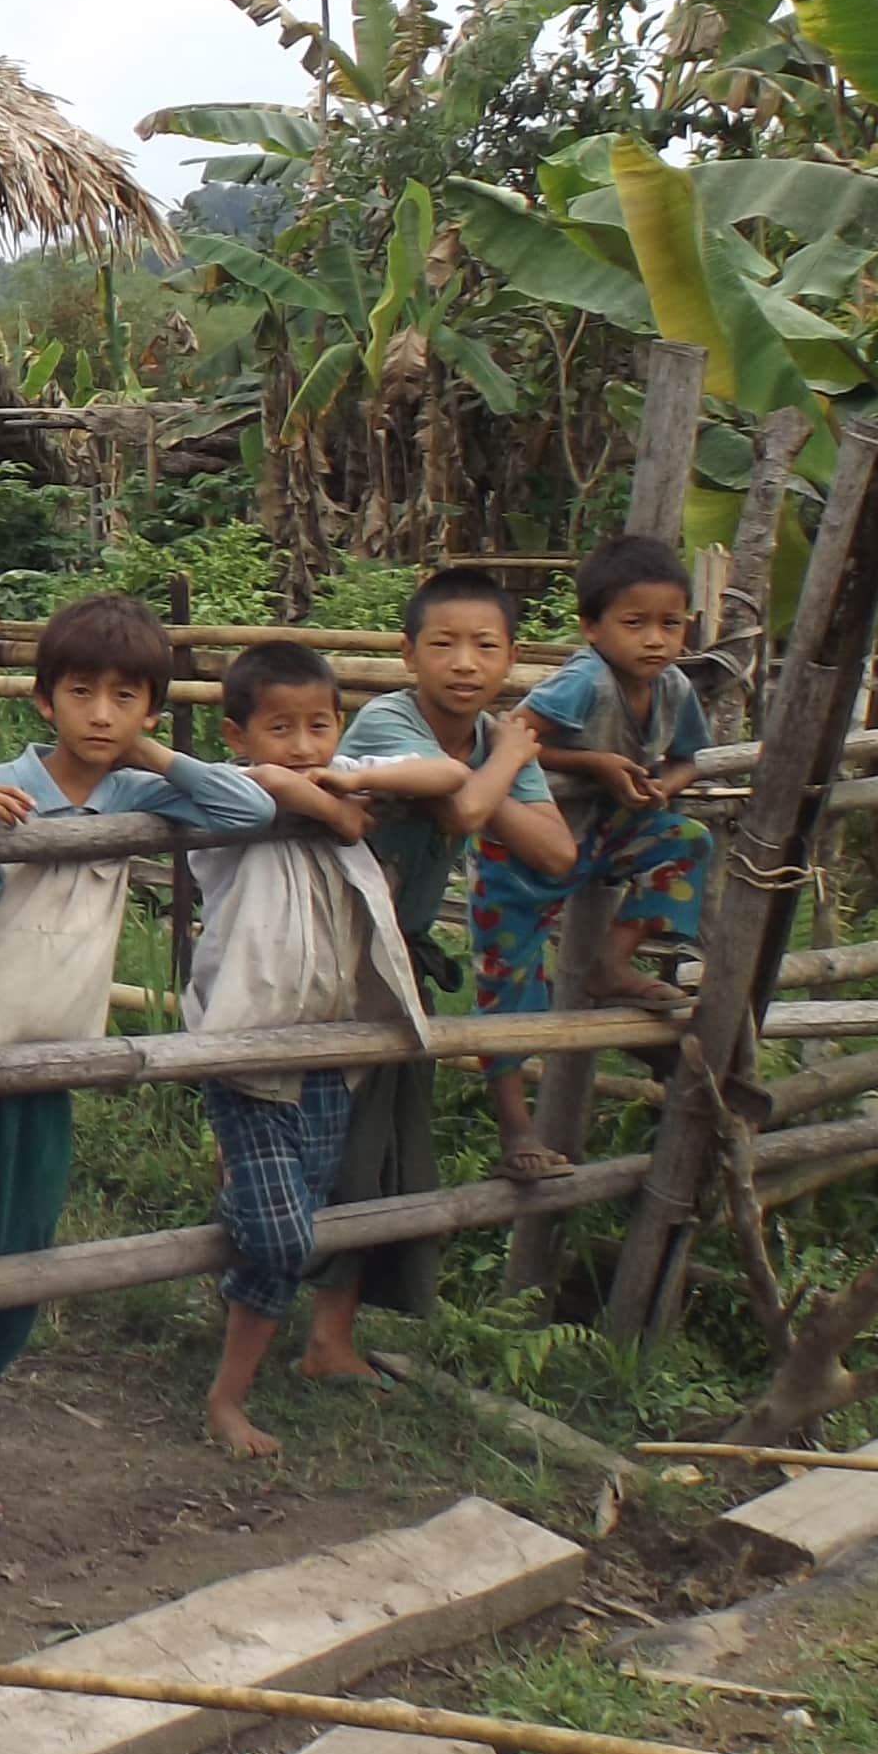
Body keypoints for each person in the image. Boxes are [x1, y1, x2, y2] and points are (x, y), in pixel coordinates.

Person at [0, 595, 270, 1530]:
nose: (101, 714)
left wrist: (156, 757)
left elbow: (248, 808)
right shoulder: (0, 786)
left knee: (22, 1266)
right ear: (43, 699)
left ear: (148, 709)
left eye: (126, 697)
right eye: (82, 692)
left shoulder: (140, 793)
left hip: (53, 1067)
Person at [321, 571, 585, 1345]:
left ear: (510, 660)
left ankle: (329, 1342)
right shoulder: (385, 722)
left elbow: (557, 851)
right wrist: (508, 755)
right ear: (408, 654)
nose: (465, 663)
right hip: (336, 957)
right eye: (444, 644)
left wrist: (496, 762)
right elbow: (466, 809)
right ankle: (280, 1326)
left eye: (486, 647)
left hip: (398, 959)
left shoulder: (486, 744)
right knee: (325, 1144)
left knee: (385, 1149)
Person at [174, 643, 418, 1460]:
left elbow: (446, 780)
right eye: (281, 729)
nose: (304, 746)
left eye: (320, 727)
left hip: (330, 1049)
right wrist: (321, 801)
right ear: (236, 735)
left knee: (292, 1229)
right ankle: (225, 1394)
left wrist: (354, 791)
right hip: (246, 1048)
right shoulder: (227, 799)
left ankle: (232, 1386)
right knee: (281, 1232)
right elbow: (263, 789)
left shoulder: (346, 774)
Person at [478, 534, 716, 1062]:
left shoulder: (674, 687)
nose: (654, 639)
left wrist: (661, 790)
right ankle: (516, 1122)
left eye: (670, 624)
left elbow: (686, 760)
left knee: (688, 840)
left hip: (607, 837)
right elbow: (509, 735)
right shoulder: (585, 681)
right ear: (591, 627)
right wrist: (594, 765)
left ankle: (610, 966)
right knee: (511, 992)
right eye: (635, 624)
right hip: (529, 851)